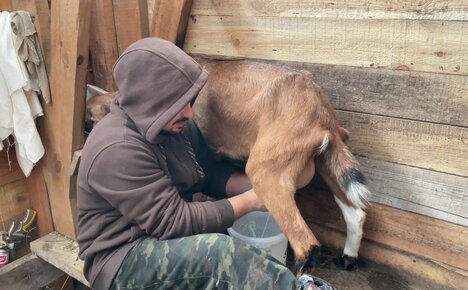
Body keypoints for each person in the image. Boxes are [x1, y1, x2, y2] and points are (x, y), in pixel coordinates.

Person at [76, 37, 336, 290]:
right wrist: (252, 200)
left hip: (163, 238)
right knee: (220, 253)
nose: (189, 112)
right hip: (122, 258)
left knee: (230, 245)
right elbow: (173, 221)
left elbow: (208, 173)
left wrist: (265, 186)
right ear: (151, 101)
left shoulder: (175, 126)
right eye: (179, 103)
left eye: (190, 100)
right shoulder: (117, 148)